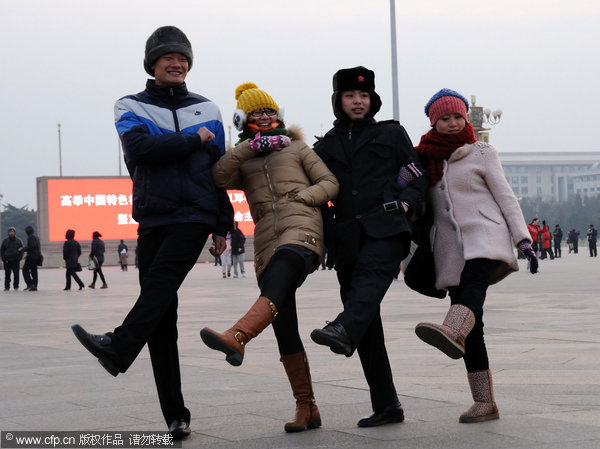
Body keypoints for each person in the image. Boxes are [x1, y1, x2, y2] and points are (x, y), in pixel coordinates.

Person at [71, 26, 233, 440]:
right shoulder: (130, 105)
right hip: (153, 216)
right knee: (161, 316)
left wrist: (221, 224)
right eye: (168, 58)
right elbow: (140, 151)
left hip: (194, 214)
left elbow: (218, 174)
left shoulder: (209, 109)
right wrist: (189, 139)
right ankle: (176, 415)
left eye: (182, 58)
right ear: (153, 64)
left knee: (159, 286)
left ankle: (120, 347)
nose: (176, 64)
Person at [200, 82, 339, 432]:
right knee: (282, 319)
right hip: (265, 239)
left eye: (269, 111)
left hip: (301, 230)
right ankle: (306, 407)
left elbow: (329, 182)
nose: (265, 117)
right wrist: (248, 147)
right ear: (244, 119)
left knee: (281, 275)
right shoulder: (244, 157)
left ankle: (238, 336)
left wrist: (302, 199)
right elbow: (218, 176)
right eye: (257, 113)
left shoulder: (296, 147)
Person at [309, 66, 427, 427]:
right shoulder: (324, 146)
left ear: (372, 99)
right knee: (367, 323)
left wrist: (407, 202)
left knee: (369, 287)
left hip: (386, 227)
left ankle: (343, 327)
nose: (357, 101)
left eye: (363, 96)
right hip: (345, 238)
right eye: (350, 96)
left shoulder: (391, 133)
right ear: (339, 100)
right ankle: (387, 404)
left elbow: (417, 176)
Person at [412, 88, 538, 423]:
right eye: (444, 119)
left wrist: (522, 239)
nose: (452, 124)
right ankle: (484, 402)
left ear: (466, 118)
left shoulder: (482, 152)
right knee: (476, 327)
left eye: (457, 117)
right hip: (450, 248)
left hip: (485, 235)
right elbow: (421, 207)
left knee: (472, 289)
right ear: (433, 123)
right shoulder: (425, 159)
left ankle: (452, 330)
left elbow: (506, 196)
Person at [1, 227, 23, 291]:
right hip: (7, 261)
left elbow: (21, 251)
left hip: (16, 260)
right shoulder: (5, 241)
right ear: (8, 233)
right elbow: (2, 251)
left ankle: (16, 286)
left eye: (13, 231)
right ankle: (7, 286)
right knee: (7, 274)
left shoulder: (19, 241)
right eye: (10, 232)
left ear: (15, 233)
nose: (11, 233)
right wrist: (3, 259)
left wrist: (19, 258)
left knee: (16, 274)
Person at [22, 225, 42, 291]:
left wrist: (23, 249)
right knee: (34, 271)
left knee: (25, 270)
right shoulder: (36, 237)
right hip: (37, 256)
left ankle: (30, 284)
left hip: (32, 257)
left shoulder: (31, 237)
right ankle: (34, 285)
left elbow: (31, 246)